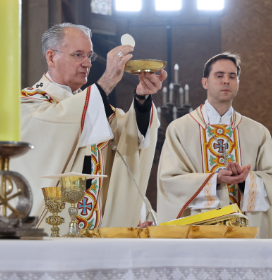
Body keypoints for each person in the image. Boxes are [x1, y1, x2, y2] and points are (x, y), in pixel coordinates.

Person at [17, 23, 164, 233]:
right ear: (51, 57)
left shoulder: (93, 106)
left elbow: (128, 137)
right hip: (51, 229)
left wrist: (141, 97)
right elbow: (57, 127)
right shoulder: (28, 103)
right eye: (78, 55)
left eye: (89, 56)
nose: (87, 63)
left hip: (98, 227)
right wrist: (107, 81)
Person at [157, 53, 272, 238]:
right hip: (197, 232)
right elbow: (169, 181)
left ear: (238, 83)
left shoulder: (258, 132)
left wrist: (247, 180)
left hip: (246, 230)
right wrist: (214, 179)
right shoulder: (179, 129)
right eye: (219, 75)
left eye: (232, 76)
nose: (226, 81)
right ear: (205, 82)